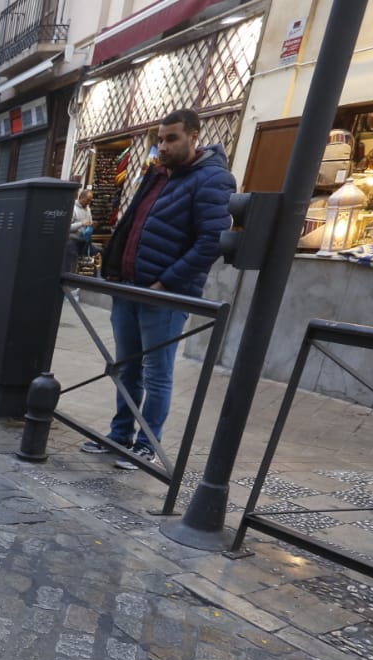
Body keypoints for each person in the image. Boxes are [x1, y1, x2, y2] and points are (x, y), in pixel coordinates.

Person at [84, 109, 234, 470]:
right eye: (160, 139)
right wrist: (116, 270)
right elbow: (133, 223)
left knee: (156, 373)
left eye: (171, 139)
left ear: (194, 136)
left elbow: (211, 242)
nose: (163, 146)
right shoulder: (157, 174)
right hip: (130, 288)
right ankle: (120, 435)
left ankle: (146, 444)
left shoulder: (213, 179)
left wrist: (164, 283)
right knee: (126, 368)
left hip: (165, 295)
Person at [66, 188, 94, 278]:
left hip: (83, 240)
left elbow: (89, 221)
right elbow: (67, 227)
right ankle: (70, 279)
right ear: (81, 197)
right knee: (71, 264)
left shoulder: (87, 208)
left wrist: (91, 225)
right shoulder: (72, 208)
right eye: (88, 200)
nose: (89, 202)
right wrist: (81, 224)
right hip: (72, 241)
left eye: (90, 200)